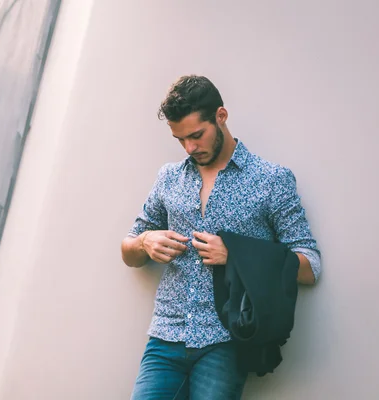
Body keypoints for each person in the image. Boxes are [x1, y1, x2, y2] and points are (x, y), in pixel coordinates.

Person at [121, 75, 321, 400]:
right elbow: (128, 249)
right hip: (165, 336)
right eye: (180, 139)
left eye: (197, 136)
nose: (190, 147)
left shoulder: (271, 180)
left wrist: (237, 254)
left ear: (221, 117)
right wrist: (144, 243)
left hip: (226, 341)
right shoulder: (168, 178)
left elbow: (310, 266)